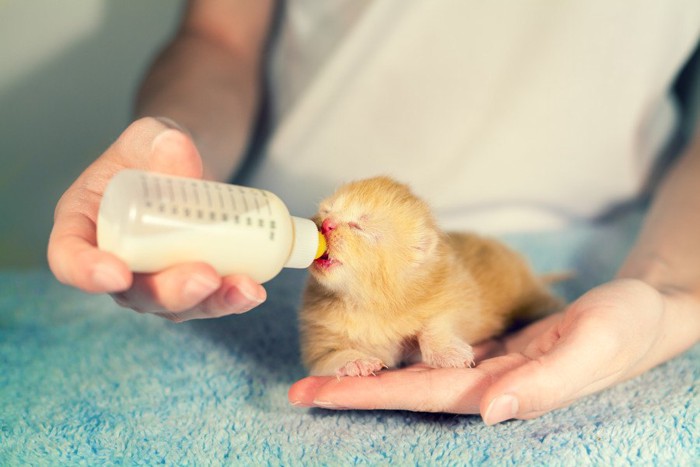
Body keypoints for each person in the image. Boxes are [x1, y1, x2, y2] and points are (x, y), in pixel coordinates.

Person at [48, 0, 700, 425]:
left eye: (355, 229)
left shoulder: (435, 270)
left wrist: (670, 288)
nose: (331, 227)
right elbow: (219, 35)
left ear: (417, 252)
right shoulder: (319, 271)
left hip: (614, 228)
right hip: (255, 190)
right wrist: (176, 150)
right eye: (334, 217)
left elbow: (449, 307)